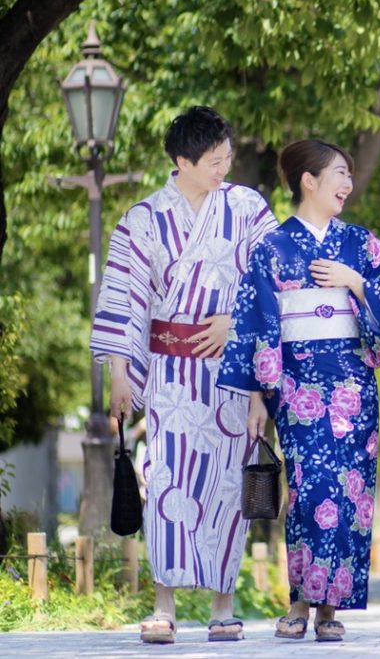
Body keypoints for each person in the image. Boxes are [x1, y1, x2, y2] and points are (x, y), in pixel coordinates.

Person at [90, 106, 278, 644]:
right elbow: (122, 297)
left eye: (227, 157)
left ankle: (224, 606)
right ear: (183, 160)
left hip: (232, 372)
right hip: (170, 371)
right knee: (169, 481)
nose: (224, 168)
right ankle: (163, 606)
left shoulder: (245, 208)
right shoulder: (143, 218)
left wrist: (236, 323)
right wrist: (120, 374)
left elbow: (272, 279)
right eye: (214, 160)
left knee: (226, 483)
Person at [217, 139, 380, 643]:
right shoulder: (271, 249)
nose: (347, 183)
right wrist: (257, 397)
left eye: (347, 174)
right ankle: (300, 599)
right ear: (309, 181)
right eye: (339, 174)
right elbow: (256, 325)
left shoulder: (362, 246)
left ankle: (330, 609)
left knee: (352, 494)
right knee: (307, 492)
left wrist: (355, 282)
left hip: (352, 385)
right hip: (297, 389)